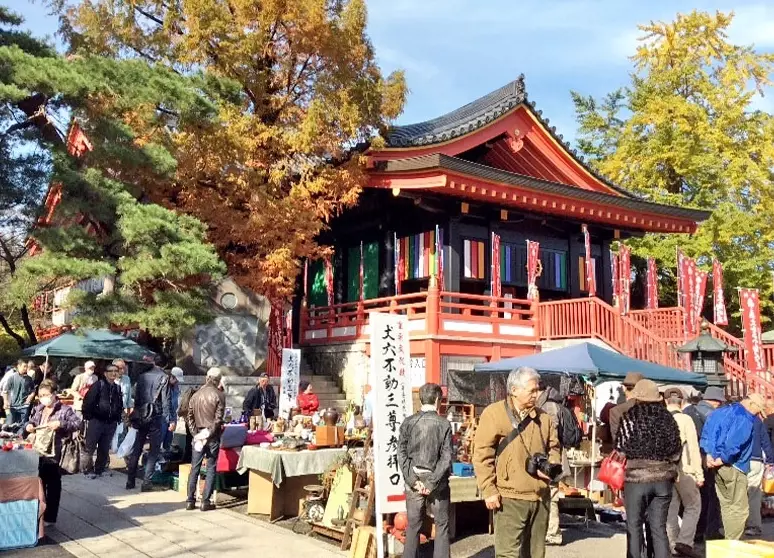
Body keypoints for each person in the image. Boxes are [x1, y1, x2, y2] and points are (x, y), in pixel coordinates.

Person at [473, 367, 560, 558]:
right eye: (532, 390)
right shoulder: (494, 414)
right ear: (514, 390)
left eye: (538, 390)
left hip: (540, 497)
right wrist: (489, 490)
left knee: (536, 554)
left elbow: (554, 447)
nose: (536, 395)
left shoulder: (543, 418)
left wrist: (551, 466)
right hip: (509, 496)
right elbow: (481, 455)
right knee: (507, 554)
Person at [616, 379, 681, 558]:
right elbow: (676, 451)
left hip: (636, 479)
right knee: (659, 529)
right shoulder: (668, 419)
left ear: (637, 397)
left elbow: (620, 449)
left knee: (634, 526)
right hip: (663, 480)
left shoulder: (629, 418)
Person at [398, 383, 453, 558]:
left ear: (421, 399)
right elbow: (446, 458)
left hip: (413, 480)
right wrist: (430, 483)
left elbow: (401, 454)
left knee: (413, 525)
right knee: (441, 525)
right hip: (437, 482)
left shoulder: (408, 422)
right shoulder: (444, 424)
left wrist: (413, 480)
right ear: (437, 400)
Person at [700, 393, 764, 540]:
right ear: (752, 404)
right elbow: (734, 443)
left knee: (726, 505)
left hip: (716, 464)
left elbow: (707, 433)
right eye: (758, 410)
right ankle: (733, 543)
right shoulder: (745, 418)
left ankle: (729, 541)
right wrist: (722, 458)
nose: (757, 414)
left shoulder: (719, 412)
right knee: (739, 508)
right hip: (734, 465)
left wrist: (709, 454)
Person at [25, 380, 82, 525]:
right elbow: (31, 421)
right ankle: (38, 513)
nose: (43, 398)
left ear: (54, 394)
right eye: (41, 395)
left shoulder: (64, 410)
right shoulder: (39, 408)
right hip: (39, 451)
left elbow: (77, 424)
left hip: (55, 452)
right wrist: (29, 426)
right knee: (39, 484)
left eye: (46, 395)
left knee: (53, 485)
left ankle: (50, 517)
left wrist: (61, 424)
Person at [663, 388, 703, 558]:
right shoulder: (686, 419)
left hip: (665, 470)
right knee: (693, 505)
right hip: (685, 470)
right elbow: (693, 448)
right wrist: (699, 474)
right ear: (681, 402)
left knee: (671, 508)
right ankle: (684, 542)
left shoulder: (660, 419)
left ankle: (672, 544)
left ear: (665, 401)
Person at [536, 381, 577, 546]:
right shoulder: (549, 404)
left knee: (551, 495)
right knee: (549, 494)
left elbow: (550, 436)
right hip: (551, 457)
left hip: (551, 458)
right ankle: (548, 531)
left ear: (538, 390)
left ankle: (552, 533)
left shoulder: (549, 407)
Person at [125, 356, 175, 491]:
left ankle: (130, 480)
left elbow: (136, 398)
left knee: (137, 447)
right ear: (164, 365)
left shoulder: (142, 376)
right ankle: (146, 481)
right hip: (155, 416)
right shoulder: (163, 377)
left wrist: (136, 414)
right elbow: (166, 401)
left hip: (141, 414)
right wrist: (169, 419)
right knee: (154, 450)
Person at [185, 367, 226, 512]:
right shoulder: (219, 395)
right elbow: (218, 419)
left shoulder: (196, 395)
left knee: (194, 467)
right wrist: (208, 433)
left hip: (198, 434)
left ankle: (190, 500)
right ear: (218, 380)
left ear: (207, 378)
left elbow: (189, 417)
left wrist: (196, 434)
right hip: (212, 435)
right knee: (210, 467)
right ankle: (205, 501)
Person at [81, 363, 123, 479]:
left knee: (104, 448)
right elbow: (88, 402)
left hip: (111, 422)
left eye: (116, 371)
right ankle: (87, 470)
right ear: (105, 373)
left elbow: (119, 404)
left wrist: (117, 417)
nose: (113, 373)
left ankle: (100, 468)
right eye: (111, 371)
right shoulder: (98, 385)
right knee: (90, 447)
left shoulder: (117, 388)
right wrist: (89, 417)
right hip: (96, 421)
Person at [745, 407, 774, 537]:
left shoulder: (731, 417)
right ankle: (753, 525)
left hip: (735, 460)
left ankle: (737, 524)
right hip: (755, 459)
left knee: (738, 493)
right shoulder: (756, 420)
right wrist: (770, 461)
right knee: (754, 493)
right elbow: (765, 441)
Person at [608, 372, 644, 444]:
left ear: (625, 390)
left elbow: (617, 441)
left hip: (627, 449)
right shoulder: (653, 409)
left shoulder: (616, 411)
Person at [2, 360, 34, 426]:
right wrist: (5, 401)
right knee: (10, 424)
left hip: (24, 406)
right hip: (12, 406)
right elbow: (5, 390)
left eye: (27, 366)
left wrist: (30, 397)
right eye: (24, 366)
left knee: (21, 426)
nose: (26, 368)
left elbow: (33, 390)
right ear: (18, 366)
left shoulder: (29, 379)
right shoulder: (12, 377)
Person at [162, 367, 183, 450]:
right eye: (176, 380)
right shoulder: (164, 386)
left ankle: (166, 451)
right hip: (164, 417)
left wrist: (174, 420)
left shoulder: (176, 386)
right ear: (172, 377)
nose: (177, 382)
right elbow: (167, 404)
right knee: (160, 439)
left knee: (168, 439)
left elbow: (174, 403)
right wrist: (171, 421)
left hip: (172, 416)